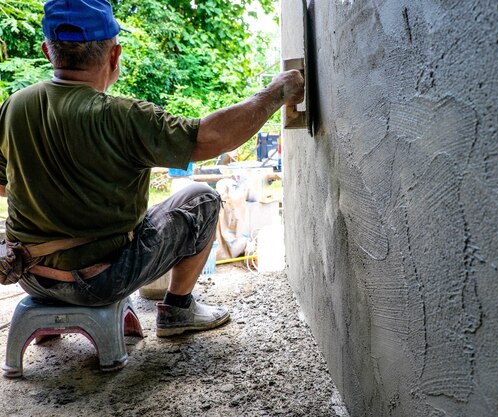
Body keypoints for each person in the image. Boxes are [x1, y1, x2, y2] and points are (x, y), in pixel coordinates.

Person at [0, 0, 304, 337]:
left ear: (47, 51)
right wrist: (277, 92)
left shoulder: (15, 105)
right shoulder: (122, 115)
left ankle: (49, 325)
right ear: (114, 55)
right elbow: (211, 138)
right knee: (202, 198)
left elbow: (3, 184)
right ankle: (178, 311)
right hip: (101, 281)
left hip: (29, 275)